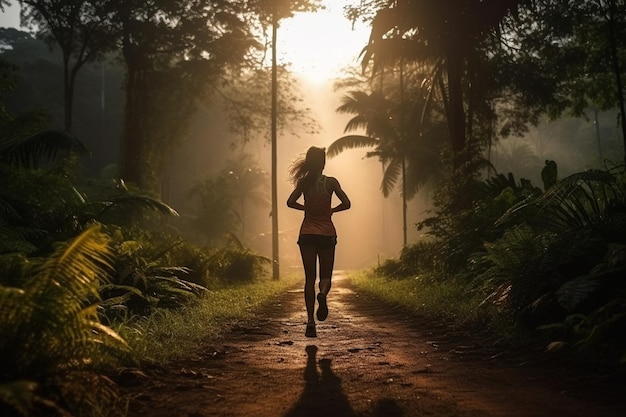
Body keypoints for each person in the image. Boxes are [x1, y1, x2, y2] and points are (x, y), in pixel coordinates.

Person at [287, 146, 351, 337]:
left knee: (309, 279)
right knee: (325, 277)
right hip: (326, 234)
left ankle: (310, 322)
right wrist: (332, 210)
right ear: (323, 163)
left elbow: (290, 202)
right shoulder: (331, 182)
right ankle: (322, 294)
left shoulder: (303, 183)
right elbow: (347, 203)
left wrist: (305, 208)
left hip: (307, 233)